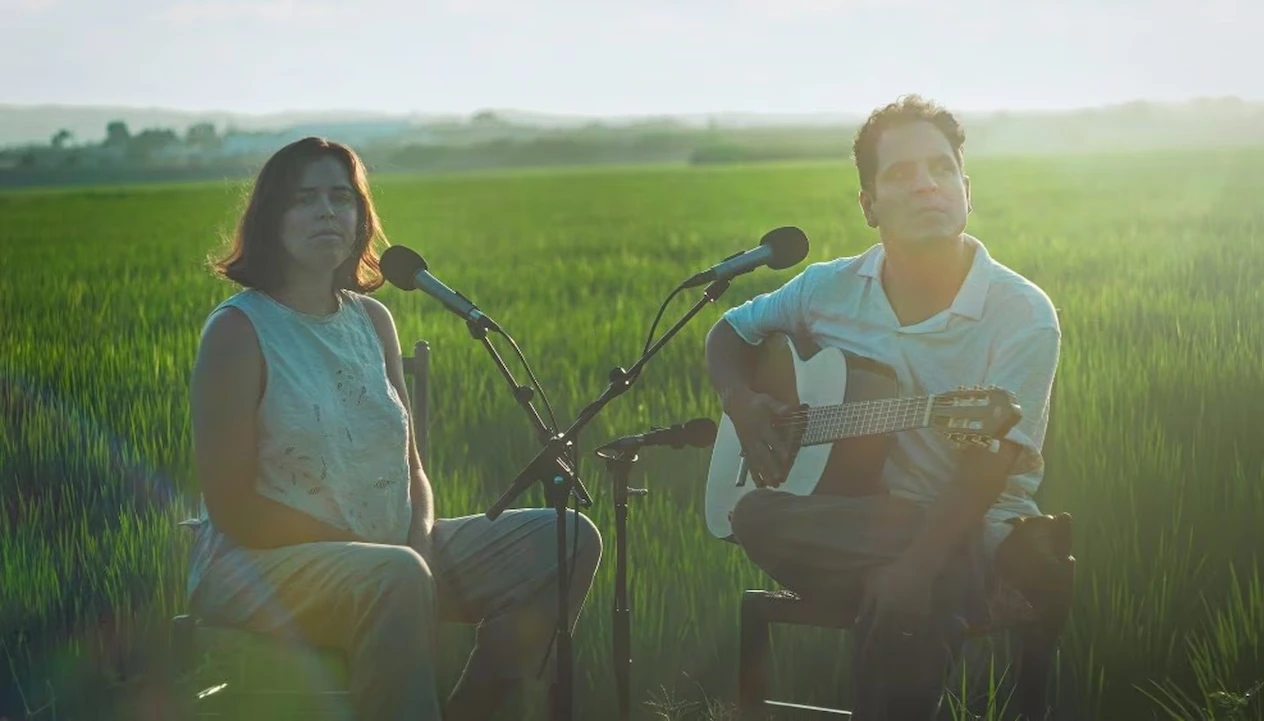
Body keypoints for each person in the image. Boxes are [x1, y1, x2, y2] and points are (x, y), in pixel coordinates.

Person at [183, 136, 603, 721]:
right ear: (271, 219)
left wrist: (420, 540)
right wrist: (379, 554)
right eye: (305, 199)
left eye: (341, 197)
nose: (327, 212)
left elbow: (411, 468)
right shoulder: (237, 330)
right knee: (396, 576)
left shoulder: (372, 320)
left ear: (361, 217)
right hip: (262, 566)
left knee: (566, 539)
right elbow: (233, 507)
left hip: (391, 556)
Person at [705, 96, 1064, 719]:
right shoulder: (828, 288)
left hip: (974, 528)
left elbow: (990, 461)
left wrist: (917, 567)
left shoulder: (1022, 312)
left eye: (942, 168)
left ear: (966, 188)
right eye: (900, 174)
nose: (927, 184)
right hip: (858, 520)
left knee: (911, 598)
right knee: (755, 512)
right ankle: (918, 578)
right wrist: (744, 403)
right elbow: (729, 333)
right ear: (869, 205)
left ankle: (924, 579)